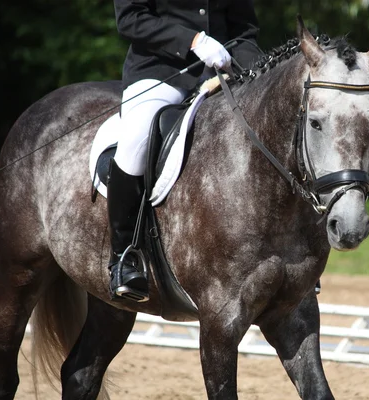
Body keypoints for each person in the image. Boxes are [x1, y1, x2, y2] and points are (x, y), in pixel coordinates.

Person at [108, 0, 260, 302]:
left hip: (224, 71)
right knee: (137, 141)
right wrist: (193, 41)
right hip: (161, 71)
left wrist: (259, 71)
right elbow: (131, 19)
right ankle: (125, 255)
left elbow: (244, 30)